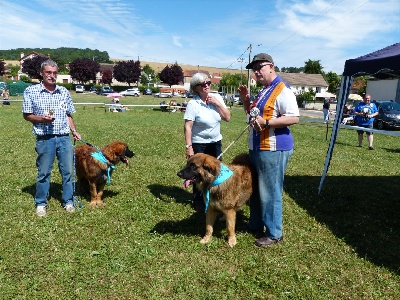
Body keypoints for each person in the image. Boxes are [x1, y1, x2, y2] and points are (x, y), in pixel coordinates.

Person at [237, 53, 299, 247]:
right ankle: (256, 223)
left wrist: (268, 123)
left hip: (273, 149)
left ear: (271, 66)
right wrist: (246, 100)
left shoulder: (282, 89)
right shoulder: (264, 90)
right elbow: (253, 116)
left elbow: (294, 117)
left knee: (270, 191)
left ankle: (274, 233)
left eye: (260, 67)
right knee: (256, 189)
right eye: (254, 69)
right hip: (257, 147)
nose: (256, 72)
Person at [22, 59, 81, 217]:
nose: (52, 75)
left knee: (67, 171)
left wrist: (73, 130)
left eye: (54, 73)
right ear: (41, 73)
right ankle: (41, 202)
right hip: (45, 139)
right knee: (44, 173)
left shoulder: (64, 92)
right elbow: (26, 115)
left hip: (64, 138)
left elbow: (68, 114)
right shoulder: (31, 91)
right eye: (48, 72)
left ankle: (68, 201)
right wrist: (42, 119)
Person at [184, 72, 231, 212]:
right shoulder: (193, 104)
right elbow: (188, 127)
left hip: (216, 142)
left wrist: (217, 104)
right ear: (196, 88)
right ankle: (198, 199)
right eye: (202, 84)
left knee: (216, 170)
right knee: (197, 172)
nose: (206, 86)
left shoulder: (217, 98)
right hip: (199, 143)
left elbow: (227, 117)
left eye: (208, 83)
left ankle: (215, 195)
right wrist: (189, 147)